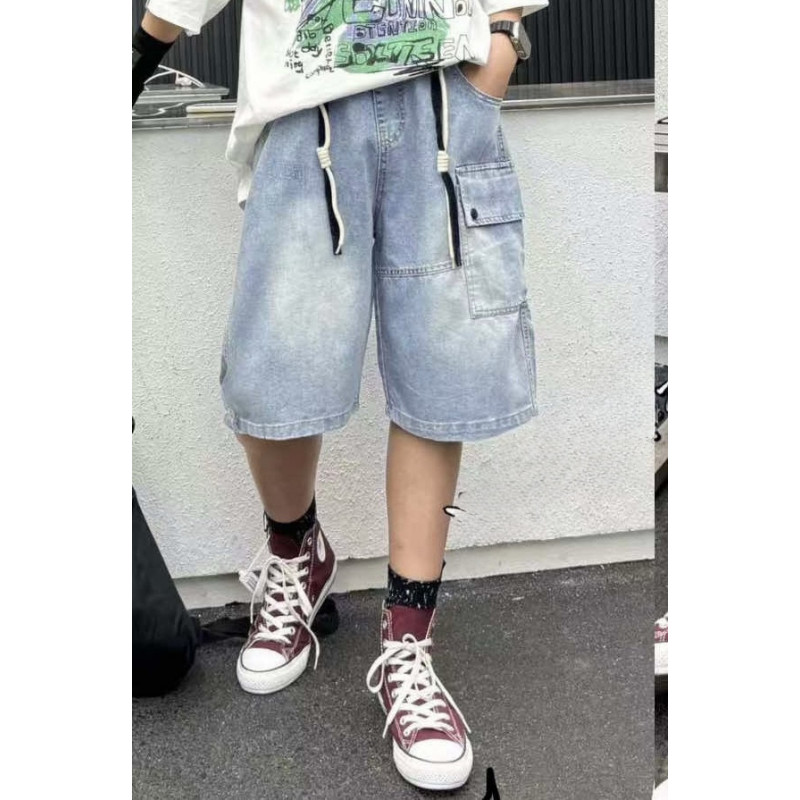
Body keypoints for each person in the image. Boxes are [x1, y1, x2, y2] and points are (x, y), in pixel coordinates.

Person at [134, 0, 546, 790]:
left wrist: (501, 43)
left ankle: (408, 644)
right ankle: (296, 550)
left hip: (443, 101)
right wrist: (138, 54)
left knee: (438, 373)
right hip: (305, 114)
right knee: (273, 374)